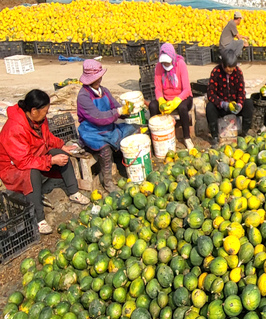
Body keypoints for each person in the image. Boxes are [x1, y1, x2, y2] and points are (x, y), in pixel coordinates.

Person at [0, 90, 89, 234]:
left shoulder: (39, 120)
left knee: (61, 154)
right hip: (14, 168)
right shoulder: (15, 128)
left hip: (35, 156)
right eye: (45, 111)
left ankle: (73, 192)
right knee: (32, 173)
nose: (46, 115)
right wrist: (51, 160)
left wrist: (61, 145)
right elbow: (23, 161)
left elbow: (47, 138)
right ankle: (39, 219)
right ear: (34, 111)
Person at [77, 59, 136, 193]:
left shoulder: (104, 91)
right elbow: (97, 117)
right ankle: (108, 182)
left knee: (135, 128)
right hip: (92, 132)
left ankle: (127, 165)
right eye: (95, 78)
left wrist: (126, 111)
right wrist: (118, 112)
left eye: (99, 77)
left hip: (108, 128)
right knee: (105, 150)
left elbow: (115, 107)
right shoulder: (83, 96)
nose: (98, 80)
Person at [148, 43, 194, 149]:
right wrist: (161, 101)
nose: (166, 64)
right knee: (152, 106)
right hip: (167, 98)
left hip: (183, 97)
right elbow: (158, 88)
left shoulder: (180, 64)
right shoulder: (159, 67)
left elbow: (187, 89)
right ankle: (154, 136)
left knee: (182, 108)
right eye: (164, 62)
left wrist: (176, 101)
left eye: (167, 62)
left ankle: (187, 137)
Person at [206, 50, 254, 145]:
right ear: (223, 64)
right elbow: (211, 94)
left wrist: (239, 104)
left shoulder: (238, 72)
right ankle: (215, 136)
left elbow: (241, 91)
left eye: (232, 68)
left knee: (249, 103)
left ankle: (244, 133)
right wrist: (222, 104)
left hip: (234, 106)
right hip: (221, 106)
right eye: (228, 68)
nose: (230, 70)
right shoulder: (216, 72)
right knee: (210, 107)